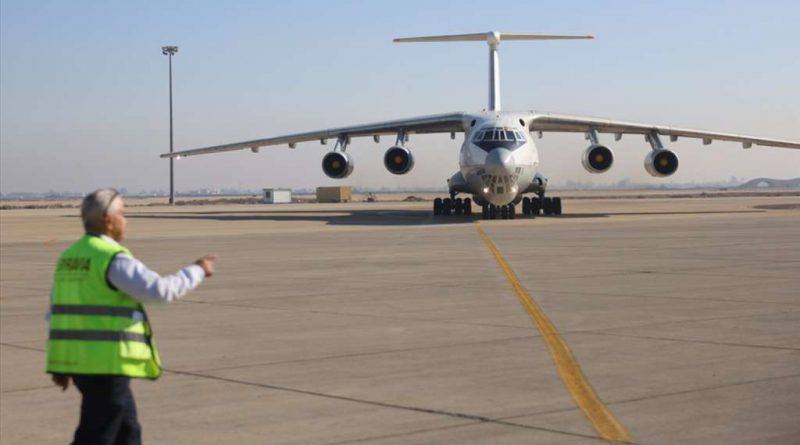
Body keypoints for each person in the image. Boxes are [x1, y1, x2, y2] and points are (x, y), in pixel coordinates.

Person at [46, 188, 216, 445]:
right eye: (123, 214)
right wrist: (198, 270)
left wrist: (60, 365)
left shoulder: (69, 258)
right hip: (107, 365)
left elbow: (57, 314)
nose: (126, 221)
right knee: (97, 436)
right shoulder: (112, 258)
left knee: (128, 432)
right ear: (108, 219)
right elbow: (159, 291)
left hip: (81, 363)